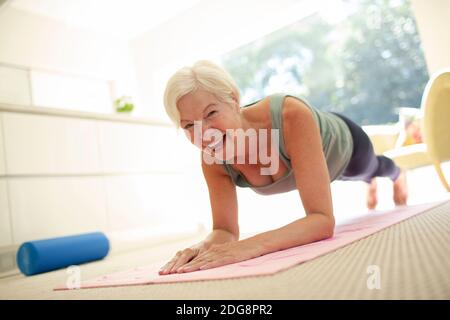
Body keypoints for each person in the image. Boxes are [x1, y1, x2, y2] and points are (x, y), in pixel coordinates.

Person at [159, 60, 408, 275]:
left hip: (347, 149)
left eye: (211, 113)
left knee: (371, 169)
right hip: (319, 166)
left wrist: (248, 247)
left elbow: (322, 222)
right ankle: (370, 182)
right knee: (352, 178)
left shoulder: (290, 115)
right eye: (189, 126)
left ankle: (397, 175)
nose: (204, 133)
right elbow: (224, 230)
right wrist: (200, 248)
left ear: (233, 100)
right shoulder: (212, 158)